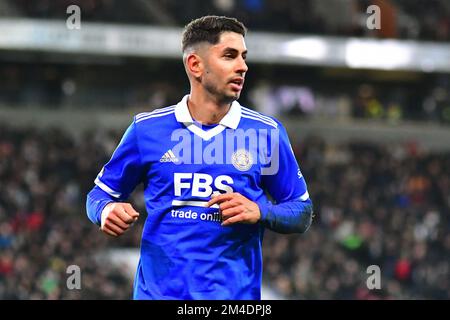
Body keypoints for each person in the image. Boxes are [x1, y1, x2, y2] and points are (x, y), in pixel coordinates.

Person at [86, 15, 313, 300]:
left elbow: (302, 212)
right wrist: (106, 211)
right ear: (195, 65)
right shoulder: (147, 130)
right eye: (230, 56)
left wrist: (261, 211)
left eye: (244, 57)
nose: (243, 66)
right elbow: (98, 196)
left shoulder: (267, 134)